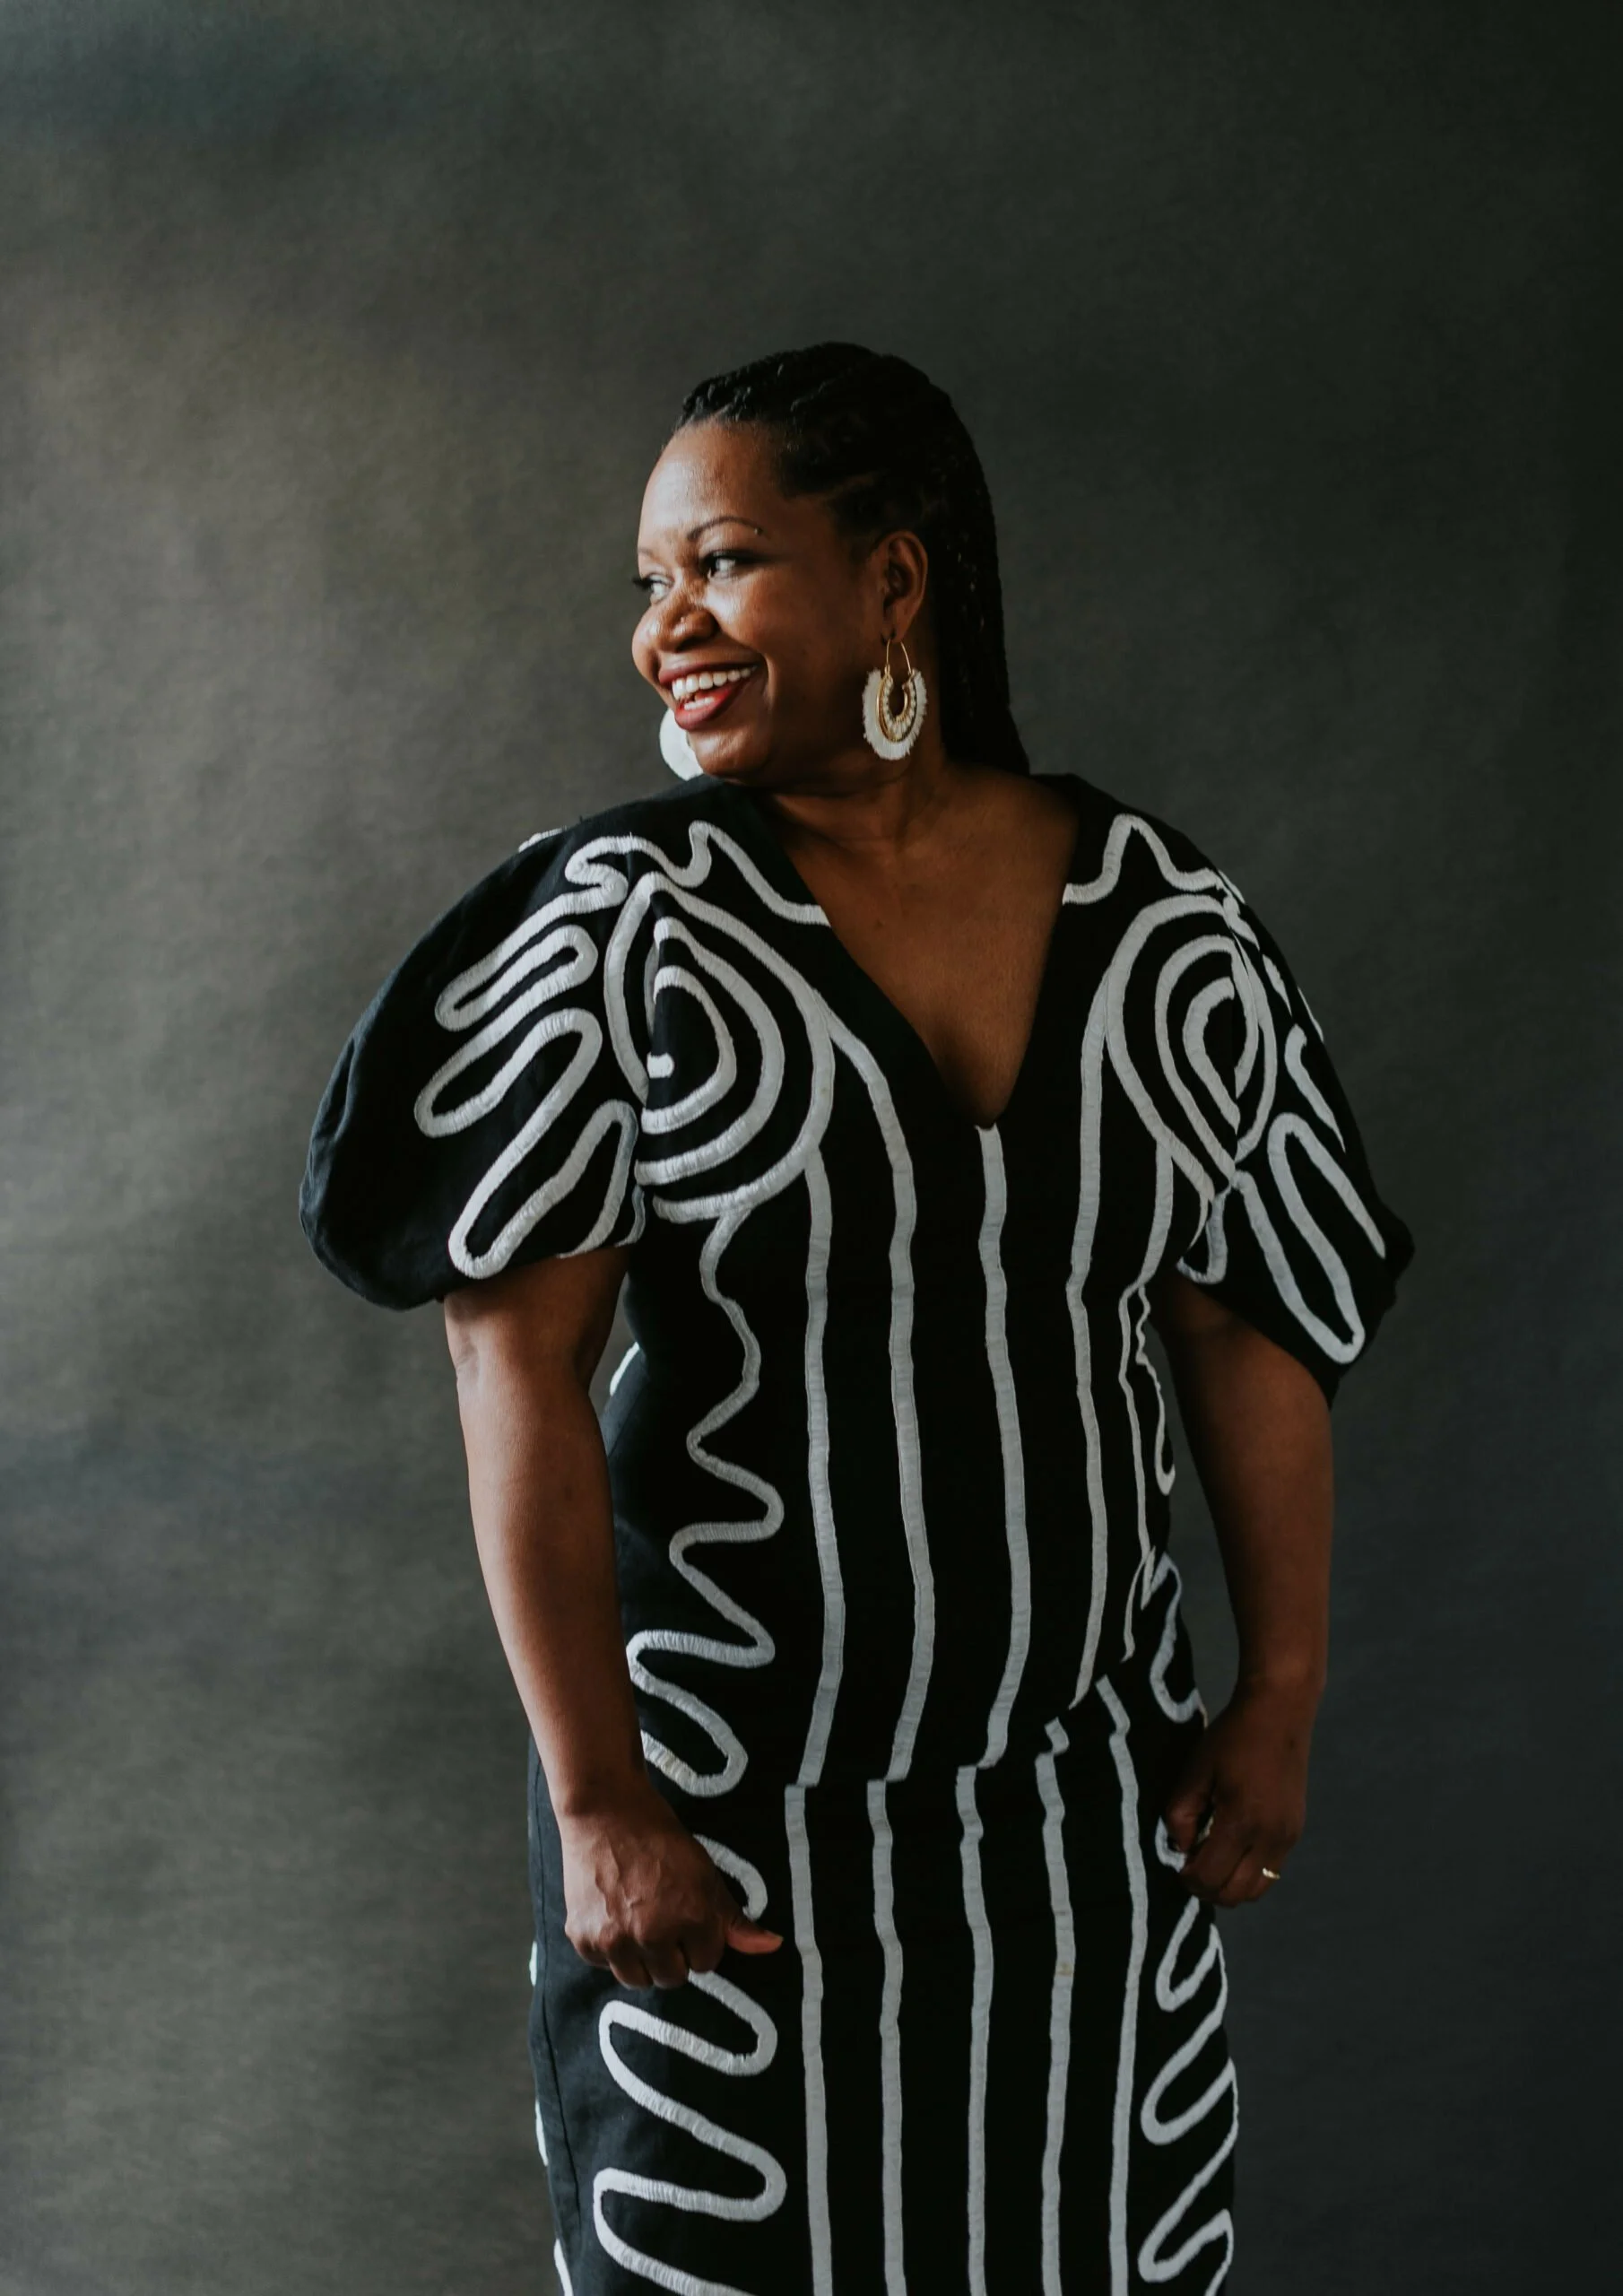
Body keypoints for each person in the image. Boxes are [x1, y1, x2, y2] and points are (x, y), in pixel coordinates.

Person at [300, 343, 1413, 2296]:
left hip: (1078, 1842)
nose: (664, 632)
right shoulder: (620, 933)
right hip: (733, 1845)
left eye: (716, 564)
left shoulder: (1162, 924)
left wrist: (1280, 1687)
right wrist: (597, 1796)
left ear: (890, 583)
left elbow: (1248, 1321)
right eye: (648, 585)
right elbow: (516, 1370)